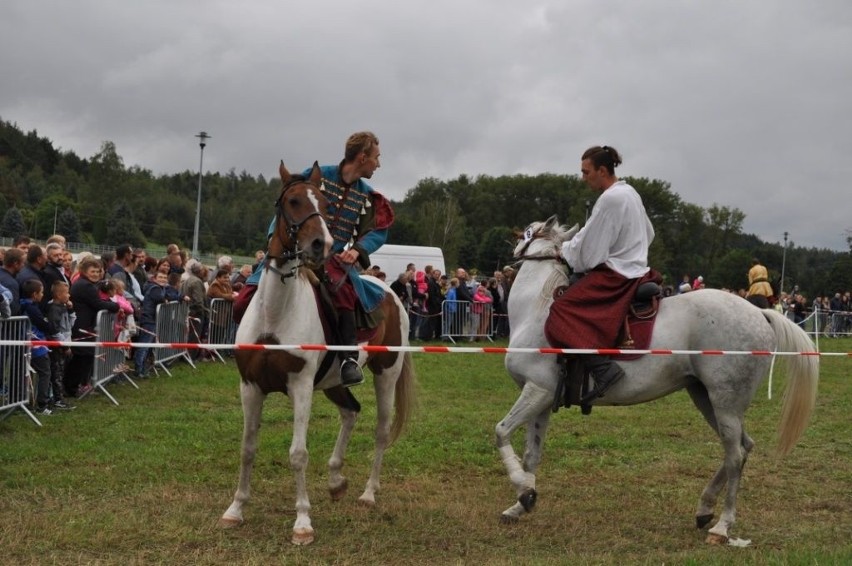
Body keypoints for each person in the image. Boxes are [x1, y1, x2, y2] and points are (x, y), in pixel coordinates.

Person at [241, 131, 394, 387]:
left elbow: (379, 230)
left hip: (333, 260)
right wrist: (273, 241)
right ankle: (246, 349)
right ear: (363, 156)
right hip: (294, 253)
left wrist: (356, 250)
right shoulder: (317, 177)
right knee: (242, 300)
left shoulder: (367, 196)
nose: (379, 164)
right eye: (377, 158)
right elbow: (286, 207)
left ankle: (347, 359)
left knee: (345, 296)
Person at [545, 145, 658, 402]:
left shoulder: (610, 199)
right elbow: (648, 233)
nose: (583, 178)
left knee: (562, 310)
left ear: (602, 171)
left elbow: (591, 251)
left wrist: (567, 254)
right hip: (635, 266)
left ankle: (602, 369)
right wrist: (570, 247)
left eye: (586, 172)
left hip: (617, 273)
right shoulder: (630, 193)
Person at [65, 257, 120, 397]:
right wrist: (115, 306)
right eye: (92, 271)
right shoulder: (85, 286)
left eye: (97, 271)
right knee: (81, 358)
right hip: (82, 326)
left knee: (85, 357)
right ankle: (73, 387)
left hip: (85, 325)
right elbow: (98, 304)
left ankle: (80, 385)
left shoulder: (86, 284)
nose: (95, 274)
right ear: (84, 271)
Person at [20, 279, 62, 415]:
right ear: (34, 294)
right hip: (37, 347)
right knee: (45, 373)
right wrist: (49, 325)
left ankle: (31, 400)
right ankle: (42, 405)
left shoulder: (24, 305)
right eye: (41, 292)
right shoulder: (31, 308)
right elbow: (43, 324)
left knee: (34, 374)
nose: (43, 295)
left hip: (32, 345)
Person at [46, 281, 76, 410]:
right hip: (57, 346)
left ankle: (57, 397)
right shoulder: (53, 309)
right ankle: (57, 399)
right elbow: (55, 330)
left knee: (61, 371)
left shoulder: (63, 307)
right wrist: (64, 346)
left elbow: (71, 324)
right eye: (66, 293)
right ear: (58, 295)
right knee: (57, 373)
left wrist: (71, 310)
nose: (69, 295)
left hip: (65, 341)